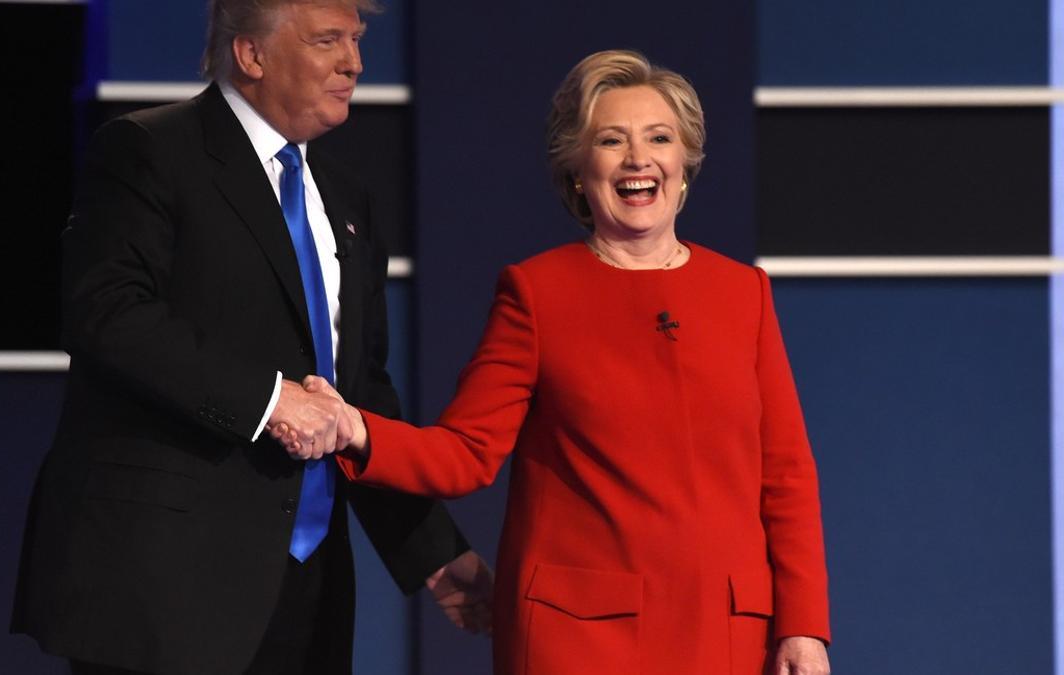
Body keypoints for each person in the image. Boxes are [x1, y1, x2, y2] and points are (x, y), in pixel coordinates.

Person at [284, 49, 832, 675]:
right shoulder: (539, 293)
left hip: (729, 634)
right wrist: (356, 428)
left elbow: (786, 475)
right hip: (582, 638)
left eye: (659, 138)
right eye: (610, 140)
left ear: (684, 167)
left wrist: (804, 627)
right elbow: (466, 451)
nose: (638, 159)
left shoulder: (744, 294)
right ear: (578, 171)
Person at [11, 2, 492, 674]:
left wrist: (429, 547)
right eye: (328, 41)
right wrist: (269, 400)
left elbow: (356, 396)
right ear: (251, 55)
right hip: (168, 582)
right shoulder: (149, 150)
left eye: (356, 40)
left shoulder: (348, 198)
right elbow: (107, 314)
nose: (354, 63)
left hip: (308, 588)